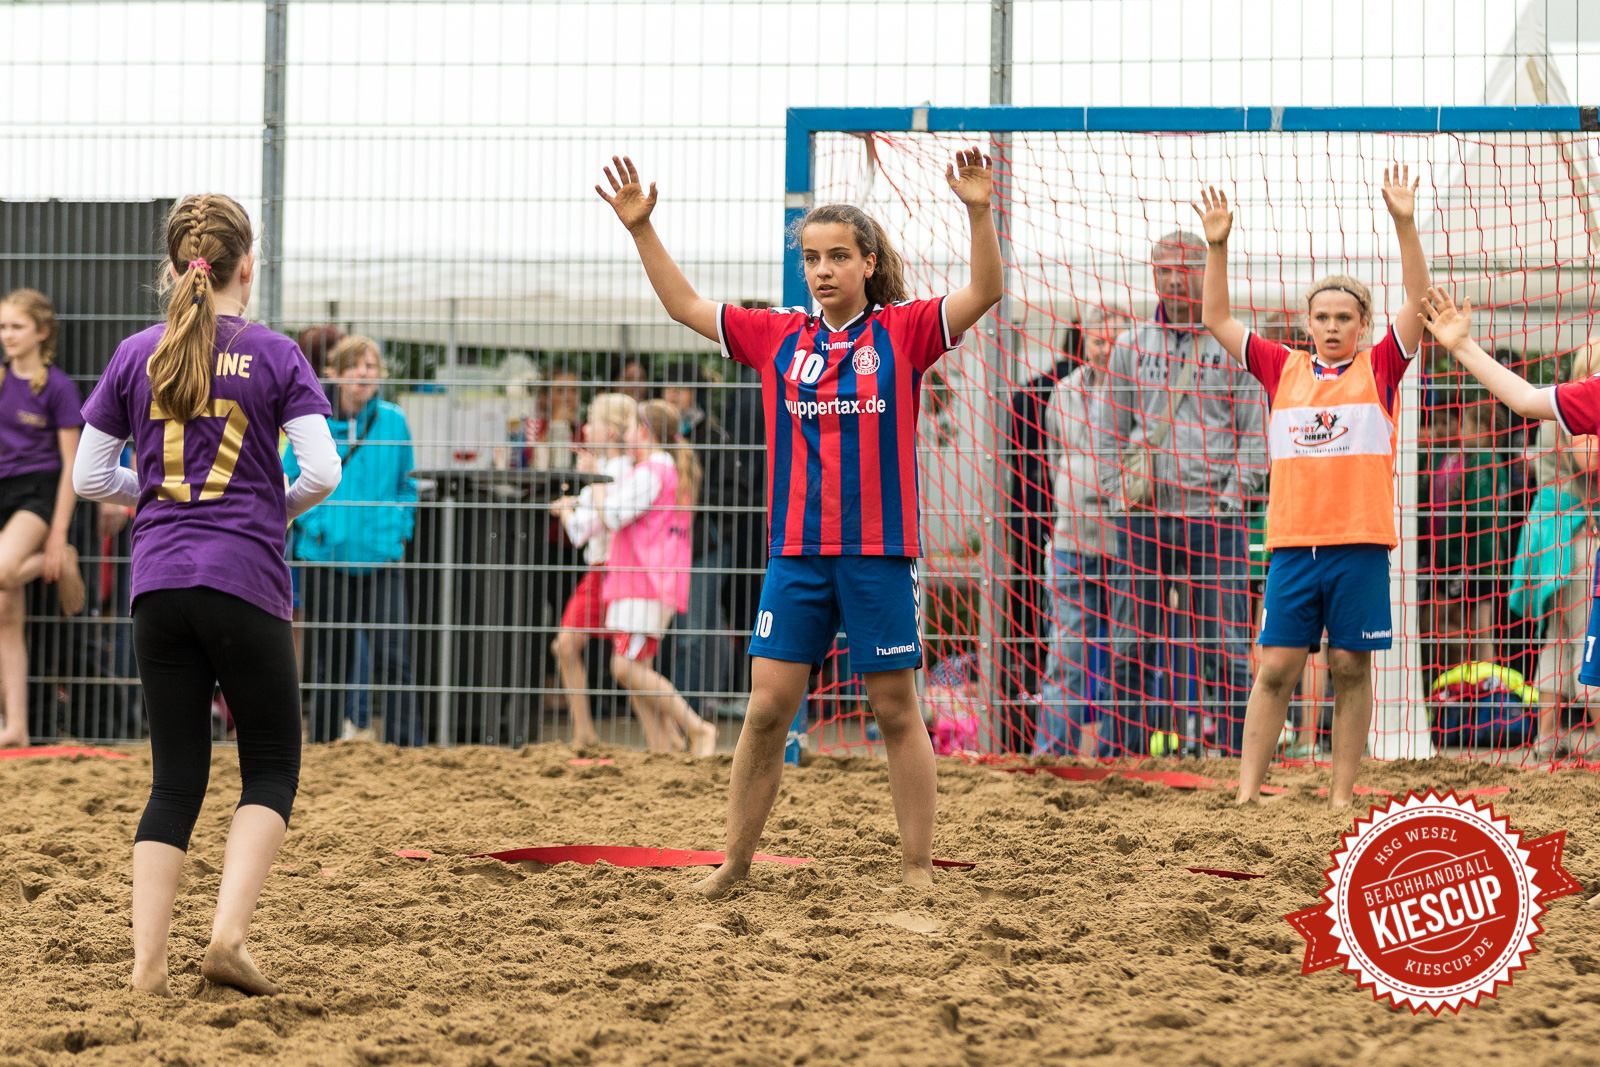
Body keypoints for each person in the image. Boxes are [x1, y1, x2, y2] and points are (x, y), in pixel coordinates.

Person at [598, 147, 1002, 897]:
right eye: (812, 257)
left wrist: (978, 210)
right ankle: (735, 863)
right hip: (797, 557)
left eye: (839, 256)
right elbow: (686, 307)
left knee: (894, 709)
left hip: (880, 555)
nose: (822, 269)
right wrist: (641, 231)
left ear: (869, 263)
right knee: (765, 711)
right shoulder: (778, 335)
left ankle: (917, 870)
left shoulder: (906, 331)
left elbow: (985, 289)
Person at [72, 193, 340, 997]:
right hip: (244, 579)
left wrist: (150, 492)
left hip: (157, 585)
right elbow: (323, 470)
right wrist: (265, 505)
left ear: (175, 266)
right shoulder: (275, 352)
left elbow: (90, 478)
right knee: (269, 770)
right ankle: (226, 937)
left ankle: (146, 970)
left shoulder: (135, 353)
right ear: (246, 266)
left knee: (174, 780)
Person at [1195, 166, 1428, 807]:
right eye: (1321, 316)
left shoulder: (1381, 366)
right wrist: (1216, 246)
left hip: (1358, 545)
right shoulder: (1282, 367)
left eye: (1343, 317)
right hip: (1294, 547)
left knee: (1352, 669)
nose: (1331, 326)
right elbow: (1215, 316)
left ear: (1362, 324)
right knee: (1275, 671)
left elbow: (1419, 300)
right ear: (1307, 321)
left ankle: (1341, 796)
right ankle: (1247, 793)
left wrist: (1405, 224)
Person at [1097, 231, 1269, 759]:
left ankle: (1240, 761)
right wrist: (1117, 495)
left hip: (1213, 519)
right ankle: (1127, 759)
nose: (1174, 277)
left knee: (1228, 649)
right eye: (1164, 268)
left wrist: (1229, 499)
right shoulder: (1129, 345)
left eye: (1187, 267)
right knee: (1131, 645)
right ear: (1152, 273)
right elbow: (1109, 429)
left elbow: (1255, 436)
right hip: (1144, 519)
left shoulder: (1235, 342)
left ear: (1206, 271)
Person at [1423, 291, 1600, 759]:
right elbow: (1529, 404)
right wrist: (1462, 347)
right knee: (1579, 635)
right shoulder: (1581, 403)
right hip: (1573, 534)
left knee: (1567, 636)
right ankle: (1555, 737)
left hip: (1567, 531)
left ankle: (1549, 736)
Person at [287, 335, 421, 745]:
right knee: (331, 661)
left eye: (371, 367)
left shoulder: (394, 421)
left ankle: (406, 748)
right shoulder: (312, 421)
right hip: (326, 556)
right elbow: (289, 478)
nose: (364, 374)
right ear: (334, 374)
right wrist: (318, 524)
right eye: (354, 366)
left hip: (380, 558)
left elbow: (407, 486)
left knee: (394, 658)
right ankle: (325, 744)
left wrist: (397, 530)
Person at [588, 398, 716, 755]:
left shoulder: (652, 471)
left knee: (625, 668)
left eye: (629, 427)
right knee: (636, 668)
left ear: (644, 431)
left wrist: (596, 481)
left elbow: (613, 516)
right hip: (646, 580)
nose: (624, 434)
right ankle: (665, 745)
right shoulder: (662, 468)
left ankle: (697, 727)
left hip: (643, 580)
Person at [1036, 305, 1130, 756]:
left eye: (1115, 342)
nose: (1106, 349)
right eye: (1098, 340)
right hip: (1072, 540)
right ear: (1085, 341)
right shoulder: (1063, 393)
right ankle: (1052, 754)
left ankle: (1117, 754)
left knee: (1125, 657)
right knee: (1066, 656)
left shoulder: (1139, 394)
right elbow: (1057, 458)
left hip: (1126, 544)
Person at [0, 290, 88, 746]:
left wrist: (57, 536)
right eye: (2, 328)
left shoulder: (57, 386)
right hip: (2, 490)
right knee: (5, 612)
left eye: (16, 326)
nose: (7, 336)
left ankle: (66, 558)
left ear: (42, 332)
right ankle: (16, 726)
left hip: (37, 493)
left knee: (5, 570)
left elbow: (72, 465)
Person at [657, 357, 747, 715]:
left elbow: (736, 494)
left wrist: (696, 504)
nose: (675, 396)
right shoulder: (660, 436)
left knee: (693, 633)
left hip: (703, 547)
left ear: (696, 395)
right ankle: (701, 703)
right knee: (700, 629)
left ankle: (688, 714)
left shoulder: (714, 435)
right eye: (670, 389)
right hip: (664, 547)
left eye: (683, 390)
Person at [551, 392, 638, 746]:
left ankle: (583, 732)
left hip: (605, 570)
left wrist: (566, 511)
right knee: (627, 662)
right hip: (606, 570)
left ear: (612, 433)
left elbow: (582, 530)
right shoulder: (621, 468)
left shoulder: (609, 471)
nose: (585, 427)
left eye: (592, 421)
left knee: (568, 646)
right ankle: (584, 731)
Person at [1510, 423, 1598, 761]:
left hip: (1548, 532)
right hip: (1574, 530)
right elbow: (1589, 460)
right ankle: (1596, 736)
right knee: (1587, 637)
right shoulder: (1578, 416)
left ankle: (1547, 737)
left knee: (1557, 637)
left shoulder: (1551, 417)